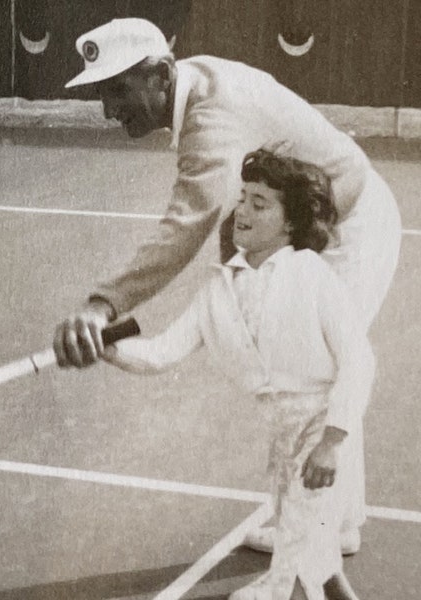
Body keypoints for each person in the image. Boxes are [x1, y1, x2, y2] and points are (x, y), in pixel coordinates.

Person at [55, 17, 401, 554]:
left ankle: (324, 528)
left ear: (160, 75)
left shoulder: (214, 114)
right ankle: (339, 520)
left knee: (322, 369)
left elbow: (188, 223)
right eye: (101, 94)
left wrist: (102, 305)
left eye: (118, 90)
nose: (108, 109)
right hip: (309, 229)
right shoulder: (195, 84)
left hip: (353, 228)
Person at [102, 149, 371, 600]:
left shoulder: (313, 275)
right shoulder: (217, 290)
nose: (242, 211)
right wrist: (106, 349)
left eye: (260, 204)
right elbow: (160, 354)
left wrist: (332, 441)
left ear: (290, 223)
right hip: (280, 436)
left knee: (296, 555)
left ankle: (277, 589)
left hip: (323, 427)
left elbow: (359, 360)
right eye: (243, 198)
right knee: (315, 553)